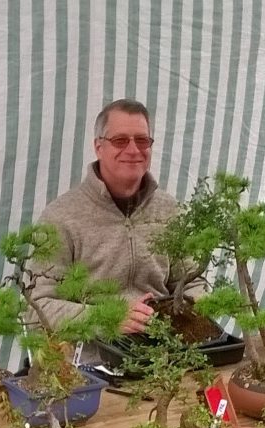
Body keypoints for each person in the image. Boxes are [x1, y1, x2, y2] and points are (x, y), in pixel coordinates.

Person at [30, 99, 200, 336]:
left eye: (142, 140)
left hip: (165, 346)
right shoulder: (60, 217)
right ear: (98, 147)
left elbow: (193, 282)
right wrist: (106, 319)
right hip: (91, 354)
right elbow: (38, 305)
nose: (133, 150)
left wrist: (182, 319)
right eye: (120, 140)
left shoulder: (169, 210)